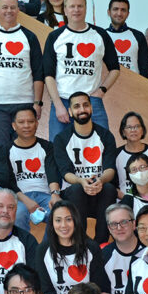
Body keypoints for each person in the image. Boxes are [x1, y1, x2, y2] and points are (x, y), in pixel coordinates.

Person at [44, 0, 120, 134]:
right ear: (65, 10)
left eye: (80, 6)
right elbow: (48, 75)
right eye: (72, 6)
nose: (76, 10)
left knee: (102, 145)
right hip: (63, 101)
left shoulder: (100, 35)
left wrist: (101, 91)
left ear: (86, 9)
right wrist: (58, 104)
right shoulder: (55, 36)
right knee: (57, 149)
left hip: (92, 101)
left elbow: (115, 68)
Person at [0, 0, 44, 146]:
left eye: (13, 7)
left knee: (24, 147)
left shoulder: (29, 37)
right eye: (5, 7)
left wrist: (37, 103)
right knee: (1, 150)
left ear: (18, 10)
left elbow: (38, 73)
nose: (9, 11)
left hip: (25, 103)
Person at [52, 92, 118, 241]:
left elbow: (110, 169)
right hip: (74, 194)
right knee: (77, 189)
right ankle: (80, 241)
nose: (82, 109)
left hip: (99, 191)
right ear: (70, 111)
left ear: (91, 108)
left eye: (85, 105)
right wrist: (82, 181)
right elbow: (65, 172)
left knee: (109, 188)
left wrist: (100, 180)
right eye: (76, 106)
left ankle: (101, 242)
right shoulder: (61, 139)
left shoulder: (106, 136)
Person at [34, 201, 102, 294]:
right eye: (58, 220)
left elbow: (98, 286)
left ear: (76, 221)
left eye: (68, 219)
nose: (63, 225)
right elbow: (47, 291)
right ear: (52, 223)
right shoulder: (42, 250)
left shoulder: (92, 248)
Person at [6, 105, 61, 229]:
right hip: (19, 197)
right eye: (21, 122)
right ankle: (24, 248)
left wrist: (55, 194)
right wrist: (26, 201)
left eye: (30, 121)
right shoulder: (5, 150)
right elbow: (8, 181)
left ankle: (47, 248)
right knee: (18, 213)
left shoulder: (47, 146)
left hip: (45, 195)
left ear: (36, 123)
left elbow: (52, 172)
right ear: (14, 125)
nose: (26, 125)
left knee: (61, 212)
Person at [98, 203, 145, 294]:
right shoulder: (103, 255)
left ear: (134, 224)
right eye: (114, 224)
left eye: (124, 222)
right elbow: (99, 292)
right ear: (109, 228)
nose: (119, 228)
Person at [113, 112, 148, 198]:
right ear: (123, 132)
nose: (133, 130)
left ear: (142, 130)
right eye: (129, 127)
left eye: (137, 126)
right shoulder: (115, 155)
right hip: (124, 200)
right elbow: (113, 186)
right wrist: (127, 200)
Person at [105, 0, 148, 78]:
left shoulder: (138, 36)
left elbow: (145, 68)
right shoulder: (101, 35)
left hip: (133, 87)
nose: (119, 13)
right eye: (115, 9)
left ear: (128, 14)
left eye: (123, 10)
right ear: (109, 12)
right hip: (107, 87)